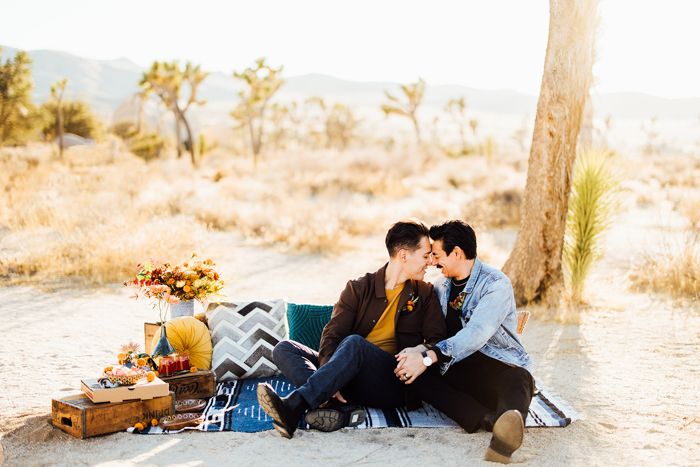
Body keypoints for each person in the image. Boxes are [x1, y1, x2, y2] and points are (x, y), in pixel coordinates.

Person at [257, 218, 447, 439]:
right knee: (284, 347)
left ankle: (294, 405)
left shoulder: (424, 293)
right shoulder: (358, 288)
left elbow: (438, 341)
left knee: (354, 343)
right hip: (349, 374)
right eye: (426, 256)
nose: (430, 263)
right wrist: (329, 376)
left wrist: (419, 351)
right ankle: (340, 410)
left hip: (391, 383)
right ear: (404, 255)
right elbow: (333, 334)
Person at [394, 220, 534, 464]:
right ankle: (488, 421)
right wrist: (419, 353)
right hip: (457, 369)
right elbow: (432, 331)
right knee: (418, 374)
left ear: (457, 252)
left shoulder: (495, 284)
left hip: (496, 369)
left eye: (437, 255)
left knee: (520, 378)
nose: (433, 262)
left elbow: (477, 333)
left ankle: (506, 432)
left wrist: (430, 355)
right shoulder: (440, 286)